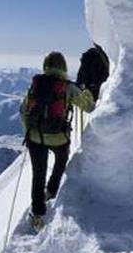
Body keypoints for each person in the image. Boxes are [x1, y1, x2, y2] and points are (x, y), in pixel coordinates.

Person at [20, 51, 95, 230]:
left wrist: (29, 132)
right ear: (63, 67)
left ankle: (38, 214)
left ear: (46, 66)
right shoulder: (68, 87)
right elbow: (88, 107)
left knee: (38, 174)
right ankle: (52, 191)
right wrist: (87, 93)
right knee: (61, 162)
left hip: (35, 138)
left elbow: (24, 111)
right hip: (59, 138)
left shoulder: (35, 85)